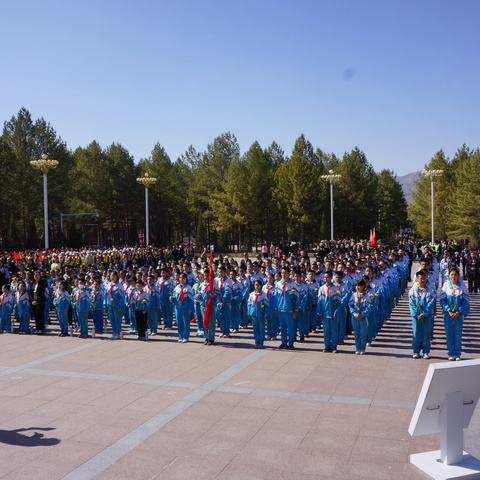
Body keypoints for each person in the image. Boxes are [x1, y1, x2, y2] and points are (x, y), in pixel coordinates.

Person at [440, 268, 469, 361]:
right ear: (449, 276)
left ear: (458, 276)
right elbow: (442, 300)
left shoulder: (462, 286)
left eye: (455, 275)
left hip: (458, 315)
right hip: (448, 314)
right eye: (451, 274)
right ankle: (450, 353)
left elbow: (465, 301)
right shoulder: (445, 286)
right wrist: (448, 310)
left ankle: (458, 353)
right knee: (449, 334)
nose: (453, 276)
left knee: (458, 334)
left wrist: (459, 311)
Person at [408, 270, 436, 359]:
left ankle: (426, 351)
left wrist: (424, 314)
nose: (422, 280)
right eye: (420, 278)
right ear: (417, 279)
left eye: (424, 278)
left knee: (426, 333)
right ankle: (416, 351)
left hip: (426, 316)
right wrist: (416, 314)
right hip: (416, 317)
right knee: (416, 333)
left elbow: (431, 303)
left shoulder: (430, 290)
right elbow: (411, 303)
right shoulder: (413, 290)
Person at [275, 266, 299, 350]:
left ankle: (291, 343)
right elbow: (276, 297)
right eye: (282, 273)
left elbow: (297, 298)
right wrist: (276, 308)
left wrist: (296, 309)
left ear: (289, 274)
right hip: (281, 309)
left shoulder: (292, 285)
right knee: (283, 327)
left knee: (291, 327)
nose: (283, 275)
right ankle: (283, 342)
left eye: (285, 273)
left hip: (289, 310)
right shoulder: (278, 284)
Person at [348, 279, 371, 354]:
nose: (357, 287)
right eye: (356, 285)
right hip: (355, 317)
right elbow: (350, 305)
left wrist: (363, 314)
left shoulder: (366, 296)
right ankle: (357, 348)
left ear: (363, 286)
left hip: (363, 318)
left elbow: (368, 307)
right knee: (356, 333)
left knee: (363, 333)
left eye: (359, 286)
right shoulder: (354, 295)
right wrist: (354, 313)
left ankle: (363, 348)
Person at [171, 272, 194, 343]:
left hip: (185, 308)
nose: (181, 279)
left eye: (183, 278)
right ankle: (180, 336)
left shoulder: (188, 288)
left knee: (186, 323)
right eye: (180, 278)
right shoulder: (177, 287)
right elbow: (175, 297)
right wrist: (172, 298)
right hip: (178, 308)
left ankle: (186, 336)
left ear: (186, 279)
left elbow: (191, 299)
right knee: (179, 322)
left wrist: (190, 308)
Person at [248, 280, 268, 348]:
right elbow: (249, 305)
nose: (256, 287)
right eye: (255, 285)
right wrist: (249, 313)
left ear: (261, 286)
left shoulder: (263, 295)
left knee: (261, 329)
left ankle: (261, 342)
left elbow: (266, 305)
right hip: (253, 314)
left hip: (261, 315)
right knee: (255, 329)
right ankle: (256, 341)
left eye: (258, 285)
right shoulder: (252, 294)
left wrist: (265, 314)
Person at [30, 270, 47, 335]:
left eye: (38, 275)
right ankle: (37, 328)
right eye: (35, 275)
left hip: (40, 301)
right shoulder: (32, 283)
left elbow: (41, 293)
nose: (37, 277)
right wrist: (32, 300)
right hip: (33, 302)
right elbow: (30, 293)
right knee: (36, 315)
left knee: (40, 315)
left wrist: (36, 300)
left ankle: (41, 328)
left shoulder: (42, 283)